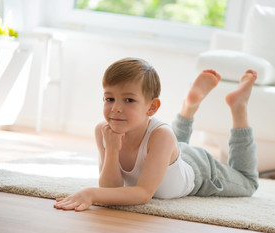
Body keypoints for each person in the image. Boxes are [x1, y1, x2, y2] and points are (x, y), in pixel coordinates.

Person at [54, 57, 259, 211]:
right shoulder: (103, 130)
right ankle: (189, 106)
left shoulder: (162, 136)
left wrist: (90, 193)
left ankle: (238, 107)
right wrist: (112, 150)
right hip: (168, 156)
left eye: (129, 100)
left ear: (152, 107)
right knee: (170, 144)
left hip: (200, 170)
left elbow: (143, 193)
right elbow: (111, 189)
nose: (115, 108)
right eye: (109, 99)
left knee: (248, 182)